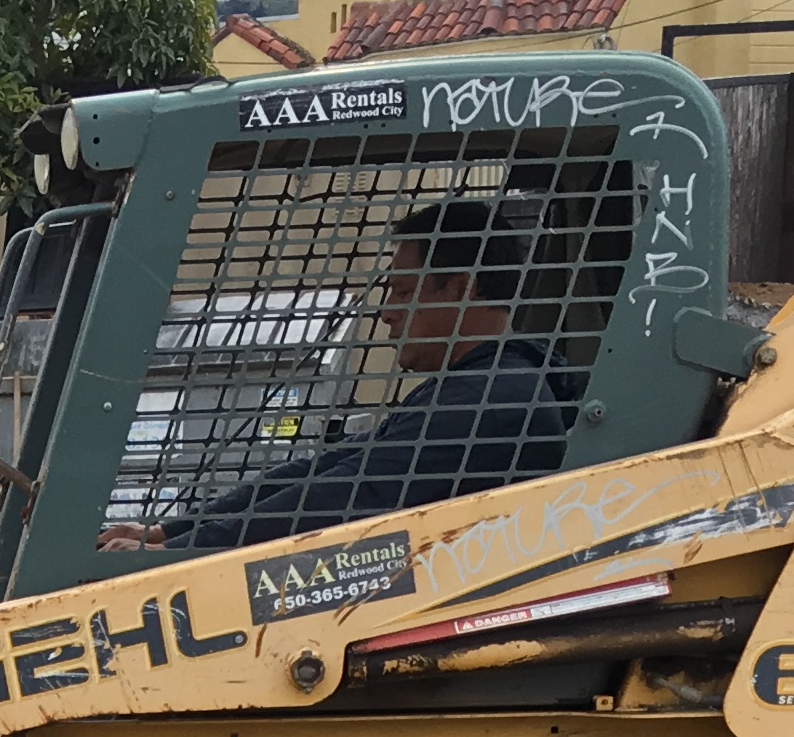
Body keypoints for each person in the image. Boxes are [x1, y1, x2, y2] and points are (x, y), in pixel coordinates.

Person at [102, 197, 583, 553]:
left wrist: (179, 550)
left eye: (400, 291)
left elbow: (342, 493)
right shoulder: (482, 385)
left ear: (461, 287)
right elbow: (331, 467)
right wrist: (173, 533)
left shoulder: (492, 398)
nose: (386, 313)